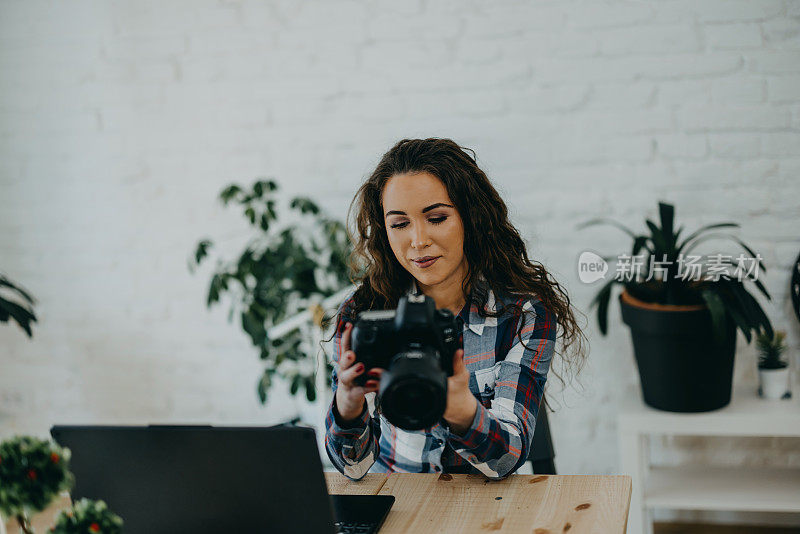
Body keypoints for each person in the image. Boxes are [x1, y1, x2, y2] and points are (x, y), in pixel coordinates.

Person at [324, 138, 587, 480]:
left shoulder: (523, 316)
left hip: (485, 506)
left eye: (435, 218)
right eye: (400, 224)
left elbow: (505, 460)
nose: (418, 240)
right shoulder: (365, 313)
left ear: (470, 217)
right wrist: (348, 405)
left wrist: (462, 409)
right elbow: (353, 468)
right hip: (397, 499)